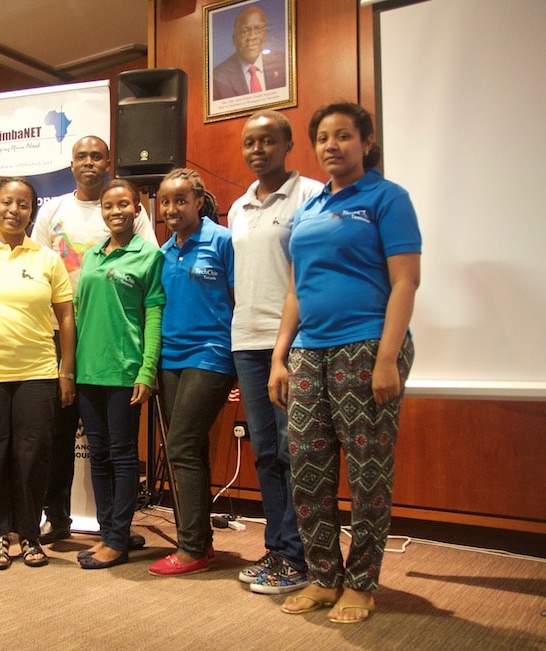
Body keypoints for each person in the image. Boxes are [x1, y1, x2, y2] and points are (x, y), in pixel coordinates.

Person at [269, 102, 420, 623]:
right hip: (309, 350)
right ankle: (324, 577)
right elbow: (296, 290)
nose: (332, 145)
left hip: (367, 347)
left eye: (344, 135)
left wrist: (387, 358)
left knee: (367, 471)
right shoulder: (309, 209)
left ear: (366, 142)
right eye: (323, 138)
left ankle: (361, 584)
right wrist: (280, 355)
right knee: (308, 469)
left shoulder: (387, 198)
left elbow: (406, 281)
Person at [29, 135, 157, 547]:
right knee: (58, 436)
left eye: (96, 156)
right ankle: (58, 518)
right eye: (81, 156)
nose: (88, 162)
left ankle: (116, 530)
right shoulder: (53, 211)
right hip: (59, 337)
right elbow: (37, 266)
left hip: (116, 343)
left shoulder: (133, 222)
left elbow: (150, 284)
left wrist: (146, 362)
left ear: (107, 162)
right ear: (71, 164)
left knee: (116, 449)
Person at [0, 177, 75, 570]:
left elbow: (66, 316)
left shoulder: (47, 259)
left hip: (36, 371)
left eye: (23, 204)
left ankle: (29, 534)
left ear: (31, 212)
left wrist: (66, 369)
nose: (14, 210)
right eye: (7, 202)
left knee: (33, 454)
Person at [228, 110, 323, 595]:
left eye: (267, 141)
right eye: (249, 142)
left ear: (288, 145)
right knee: (265, 452)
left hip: (293, 343)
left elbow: (307, 276)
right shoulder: (238, 207)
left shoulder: (311, 195)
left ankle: (298, 554)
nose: (257, 150)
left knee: (294, 451)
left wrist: (285, 351)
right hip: (246, 343)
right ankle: (278, 549)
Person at [148, 168, 237, 577]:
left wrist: (240, 365)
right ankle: (201, 541)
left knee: (180, 445)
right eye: (166, 202)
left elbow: (239, 299)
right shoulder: (164, 252)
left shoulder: (222, 241)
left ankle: (190, 549)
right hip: (171, 360)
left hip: (211, 354)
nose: (171, 209)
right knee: (192, 447)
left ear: (199, 202)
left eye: (181, 200)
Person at [74, 180, 165, 570]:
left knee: (123, 456)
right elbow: (79, 312)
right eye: (108, 205)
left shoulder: (149, 255)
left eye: (124, 204)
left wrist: (147, 370)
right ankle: (110, 531)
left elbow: (154, 316)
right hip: (88, 370)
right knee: (99, 456)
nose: (116, 211)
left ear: (137, 209)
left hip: (125, 370)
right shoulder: (91, 256)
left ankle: (116, 539)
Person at [213, 5, 287, 101]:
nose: (252, 37)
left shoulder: (284, 62)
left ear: (265, 34)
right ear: (234, 39)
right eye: (245, 31)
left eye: (258, 29)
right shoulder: (217, 78)